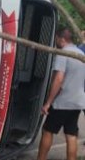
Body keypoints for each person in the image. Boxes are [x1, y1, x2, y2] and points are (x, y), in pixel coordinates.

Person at [37, 27, 85, 160]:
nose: (55, 41)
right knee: (71, 134)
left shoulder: (64, 53)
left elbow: (59, 78)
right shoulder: (80, 53)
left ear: (61, 39)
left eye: (56, 38)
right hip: (77, 102)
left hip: (62, 103)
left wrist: (48, 103)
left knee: (47, 131)